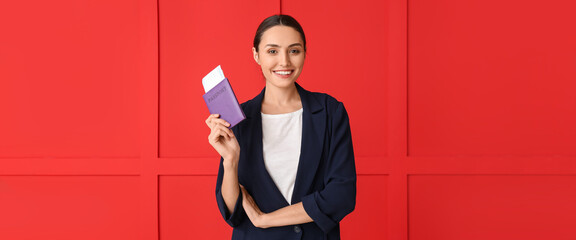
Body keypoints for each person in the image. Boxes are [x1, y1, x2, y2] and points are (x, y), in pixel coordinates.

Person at [205, 14, 356, 240]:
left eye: (294, 50)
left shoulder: (330, 112)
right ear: (256, 55)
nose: (284, 61)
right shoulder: (238, 118)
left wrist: (265, 219)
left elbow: (341, 196)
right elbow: (232, 213)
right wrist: (230, 161)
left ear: (305, 53)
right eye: (272, 51)